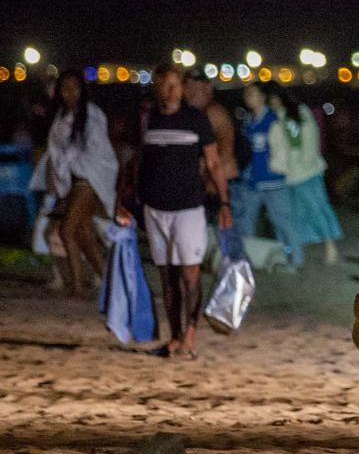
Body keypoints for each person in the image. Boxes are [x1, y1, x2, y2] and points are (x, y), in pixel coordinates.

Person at [116, 63, 233, 359]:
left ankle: (190, 338)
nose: (169, 91)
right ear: (155, 88)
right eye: (164, 85)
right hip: (155, 208)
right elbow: (136, 162)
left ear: (181, 88)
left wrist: (224, 202)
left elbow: (214, 163)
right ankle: (174, 337)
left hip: (188, 208)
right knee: (167, 277)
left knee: (190, 275)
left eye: (174, 85)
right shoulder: (148, 120)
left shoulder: (196, 120)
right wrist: (125, 199)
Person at [30, 71, 119, 298]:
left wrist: (74, 163)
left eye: (74, 87)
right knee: (84, 233)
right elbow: (55, 151)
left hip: (88, 179)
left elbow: (99, 151)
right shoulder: (61, 115)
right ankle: (111, 284)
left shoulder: (92, 114)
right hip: (72, 180)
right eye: (65, 88)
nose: (70, 93)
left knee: (66, 229)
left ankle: (78, 288)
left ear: (83, 89)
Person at [235, 82, 304, 268]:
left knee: (282, 221)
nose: (248, 97)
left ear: (262, 97)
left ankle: (295, 259)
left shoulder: (274, 120)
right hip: (251, 181)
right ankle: (247, 260)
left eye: (252, 94)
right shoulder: (248, 121)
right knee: (245, 222)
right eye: (246, 94)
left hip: (273, 181)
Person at [271, 87, 342, 265]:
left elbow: (311, 139)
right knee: (295, 212)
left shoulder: (301, 111)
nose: (272, 101)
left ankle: (330, 246)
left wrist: (306, 163)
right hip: (288, 173)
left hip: (308, 171)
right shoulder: (275, 117)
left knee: (317, 208)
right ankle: (296, 249)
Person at [184, 70, 238, 213]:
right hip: (215, 182)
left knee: (222, 231)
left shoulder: (213, 113)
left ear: (207, 87)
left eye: (191, 88)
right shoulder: (206, 113)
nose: (187, 93)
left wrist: (212, 184)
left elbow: (224, 152)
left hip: (220, 183)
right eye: (186, 88)